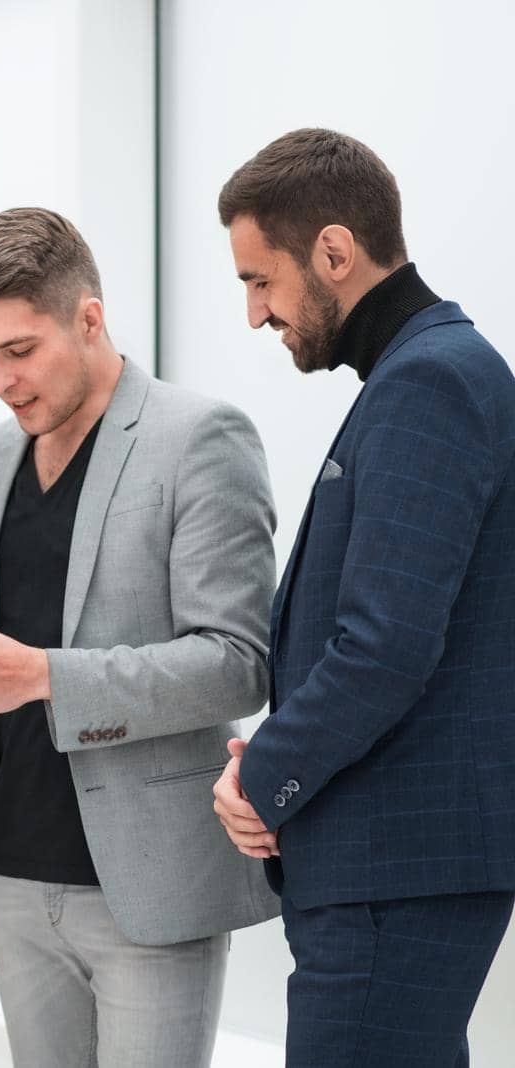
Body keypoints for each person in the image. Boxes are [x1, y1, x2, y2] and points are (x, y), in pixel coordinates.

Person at [0, 208, 279, 1068]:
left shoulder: (200, 438)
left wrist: (43, 677)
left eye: (18, 351)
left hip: (148, 882)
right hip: (16, 876)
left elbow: (239, 664)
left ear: (89, 318)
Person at [211, 128, 515, 1067]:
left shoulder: (430, 381)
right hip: (391, 861)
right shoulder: (421, 375)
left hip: (396, 863)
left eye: (261, 281)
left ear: (334, 253)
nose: (257, 314)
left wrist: (263, 778)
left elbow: (384, 645)